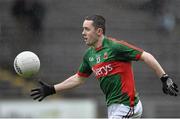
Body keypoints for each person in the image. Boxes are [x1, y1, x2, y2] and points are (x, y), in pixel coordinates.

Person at [30, 15, 178, 118]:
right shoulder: (89, 55)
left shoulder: (115, 47)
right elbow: (78, 79)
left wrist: (164, 78)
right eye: (83, 29)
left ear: (99, 31)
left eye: (87, 29)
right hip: (114, 106)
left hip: (127, 104)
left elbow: (146, 56)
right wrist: (52, 89)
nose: (83, 33)